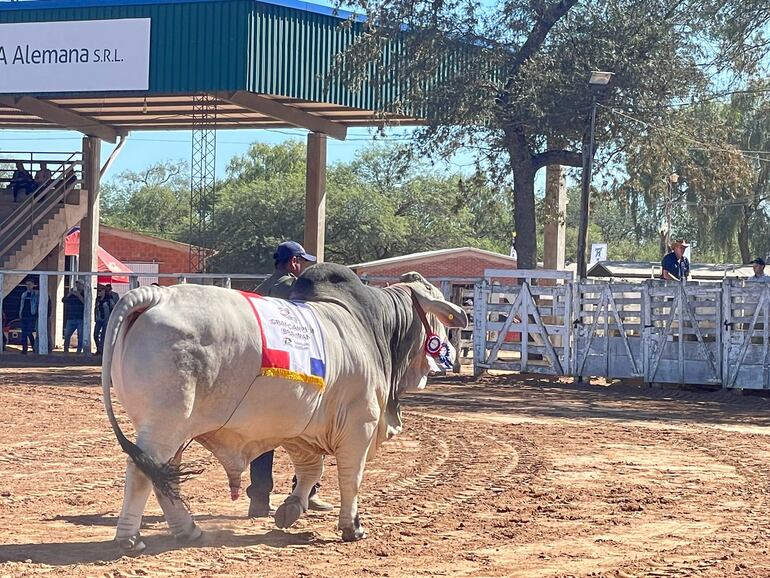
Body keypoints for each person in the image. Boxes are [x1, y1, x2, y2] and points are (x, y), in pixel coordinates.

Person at [247, 241, 333, 518]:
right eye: (302, 262)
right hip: (294, 368)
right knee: (310, 432)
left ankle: (259, 500)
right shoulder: (296, 288)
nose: (303, 267)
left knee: (263, 437)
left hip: (262, 369)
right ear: (294, 261)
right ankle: (308, 490)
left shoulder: (262, 288)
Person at [94, 284, 119, 354]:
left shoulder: (109, 299)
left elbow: (114, 307)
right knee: (95, 335)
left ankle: (102, 350)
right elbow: (96, 308)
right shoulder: (98, 299)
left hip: (106, 320)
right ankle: (99, 349)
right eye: (98, 291)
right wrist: (95, 318)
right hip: (99, 319)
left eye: (100, 290)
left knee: (103, 336)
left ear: (104, 291)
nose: (99, 292)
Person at [62, 280, 85, 354]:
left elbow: (85, 302)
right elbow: (63, 300)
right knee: (67, 334)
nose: (78, 286)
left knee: (80, 335)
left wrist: (79, 295)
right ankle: (65, 349)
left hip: (80, 318)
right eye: (77, 284)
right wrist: (69, 293)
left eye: (79, 284)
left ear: (82, 286)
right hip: (71, 317)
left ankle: (79, 350)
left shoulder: (84, 293)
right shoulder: (71, 294)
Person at [18, 279, 39, 354]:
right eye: (27, 284)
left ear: (33, 285)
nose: (28, 286)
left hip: (31, 315)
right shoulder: (24, 294)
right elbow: (22, 304)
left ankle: (33, 347)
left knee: (29, 332)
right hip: (24, 315)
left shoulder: (35, 294)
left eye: (30, 284)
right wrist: (20, 313)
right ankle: (24, 350)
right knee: (24, 333)